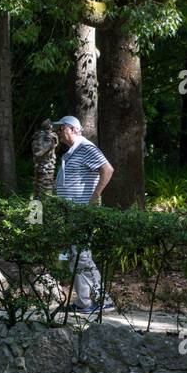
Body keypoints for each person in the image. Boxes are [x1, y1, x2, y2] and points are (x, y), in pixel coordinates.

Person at [51, 115, 114, 314]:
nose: (58, 132)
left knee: (81, 255)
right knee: (75, 255)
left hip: (81, 211)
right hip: (71, 212)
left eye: (61, 129)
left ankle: (102, 299)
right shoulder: (71, 152)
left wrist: (96, 196)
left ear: (73, 129)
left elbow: (107, 169)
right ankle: (84, 302)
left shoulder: (86, 147)